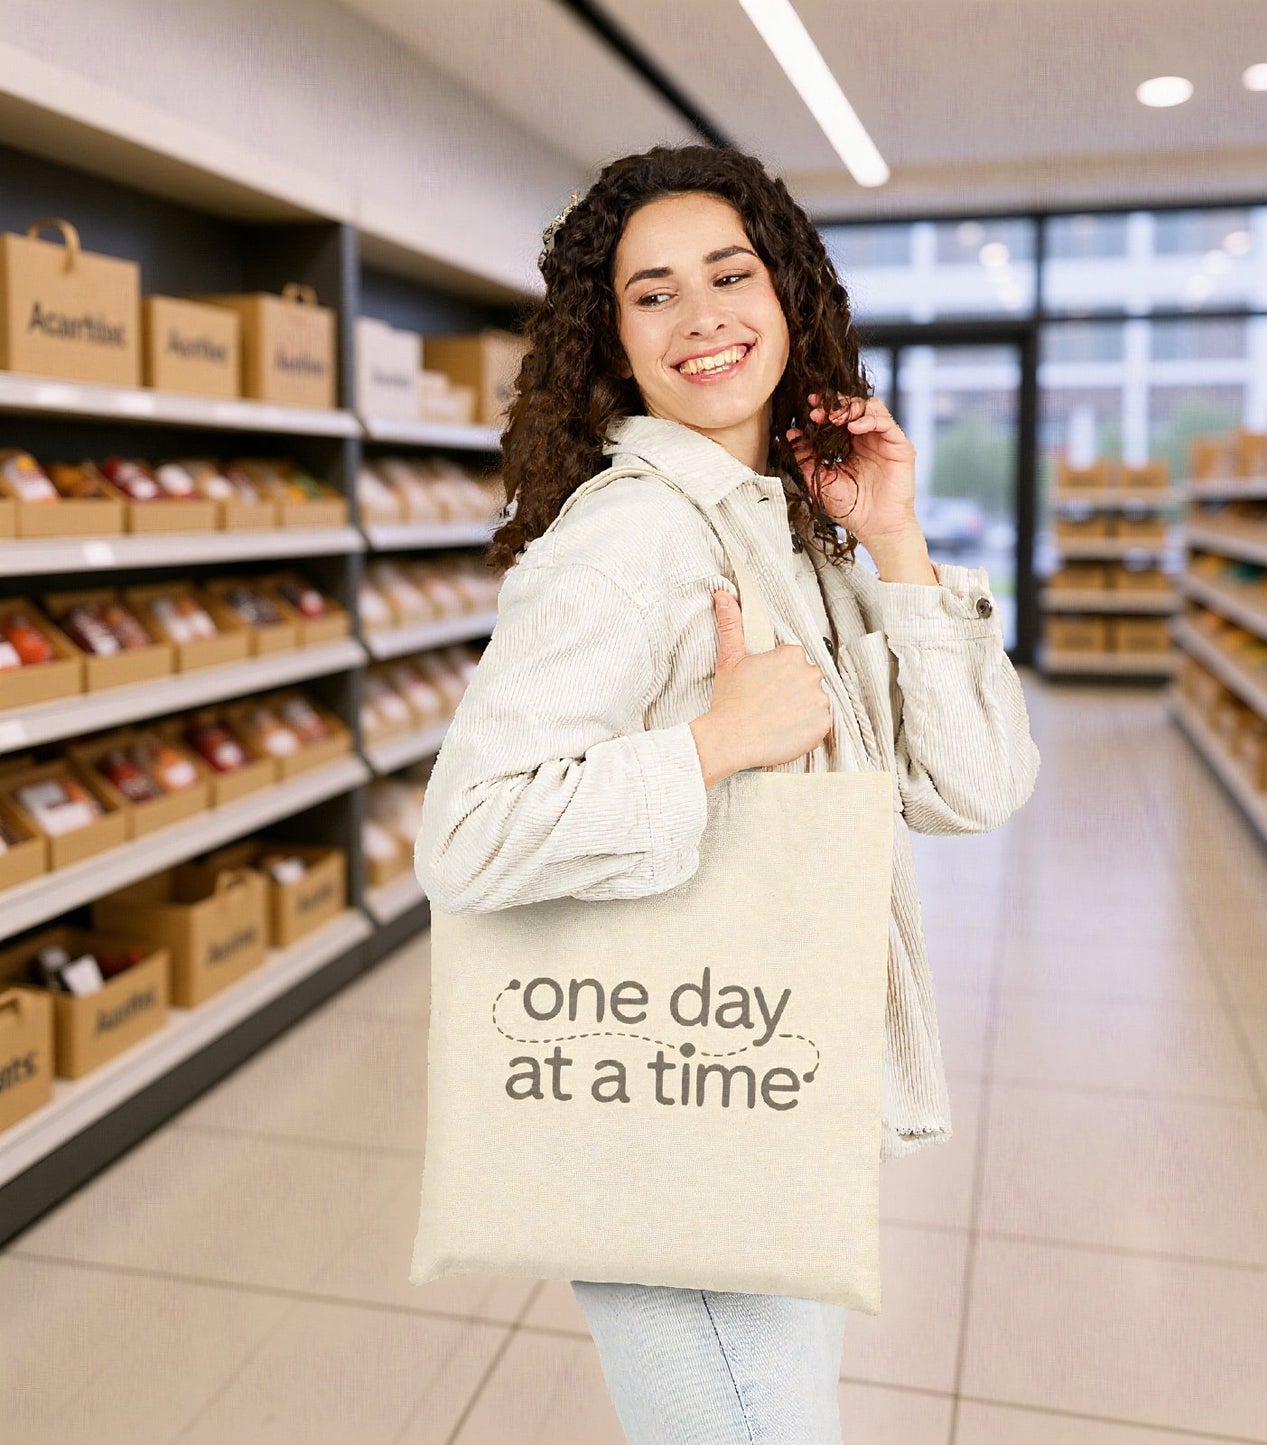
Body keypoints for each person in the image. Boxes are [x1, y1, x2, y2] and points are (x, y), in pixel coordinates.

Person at [414, 143, 1040, 1445]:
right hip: (667, 1107)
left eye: (726, 272)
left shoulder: (785, 525)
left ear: (786, 293)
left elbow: (974, 787)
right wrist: (709, 745)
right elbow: (467, 836)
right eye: (652, 293)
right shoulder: (629, 541)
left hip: (767, 1082)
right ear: (613, 339)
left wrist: (898, 545)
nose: (700, 315)